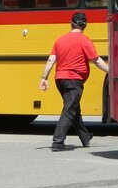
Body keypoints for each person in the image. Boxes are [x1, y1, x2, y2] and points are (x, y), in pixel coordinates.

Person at [38, 11, 109, 151]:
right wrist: (110, 71)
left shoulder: (60, 39)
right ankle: (58, 142)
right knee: (69, 110)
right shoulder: (84, 40)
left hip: (60, 79)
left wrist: (43, 78)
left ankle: (85, 136)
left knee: (74, 109)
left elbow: (51, 60)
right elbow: (96, 60)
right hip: (73, 80)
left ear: (71, 23)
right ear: (85, 25)